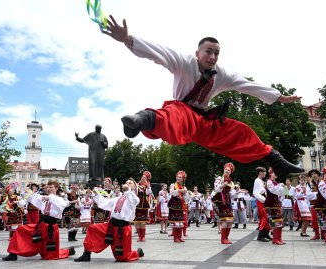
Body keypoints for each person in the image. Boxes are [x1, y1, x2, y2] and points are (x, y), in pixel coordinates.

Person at [101, 16, 304, 179]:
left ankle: (276, 160)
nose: (213, 57)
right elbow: (158, 53)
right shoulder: (183, 62)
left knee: (239, 131)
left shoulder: (222, 74)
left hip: (204, 121)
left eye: (217, 53)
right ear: (197, 53)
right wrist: (127, 40)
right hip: (181, 111)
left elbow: (247, 85)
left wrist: (277, 97)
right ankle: (142, 119)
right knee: (175, 118)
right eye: (209, 52)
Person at [2, 180, 75, 261]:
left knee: (49, 255)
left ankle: (67, 251)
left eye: (51, 187)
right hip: (40, 226)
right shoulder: (43, 198)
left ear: (56, 188)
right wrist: (25, 191)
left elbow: (62, 205)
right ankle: (13, 254)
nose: (49, 189)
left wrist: (49, 198)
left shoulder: (59, 199)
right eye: (48, 187)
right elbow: (32, 198)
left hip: (50, 228)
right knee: (20, 229)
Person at [74, 178, 144, 262]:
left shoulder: (135, 199)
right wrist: (96, 195)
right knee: (92, 228)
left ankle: (137, 253)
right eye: (126, 182)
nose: (127, 184)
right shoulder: (118, 198)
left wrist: (128, 190)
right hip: (111, 225)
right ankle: (86, 254)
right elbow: (105, 203)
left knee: (122, 258)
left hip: (123, 228)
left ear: (134, 187)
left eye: (130, 183)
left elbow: (132, 199)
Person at [212, 163, 236, 244]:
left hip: (228, 202)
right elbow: (216, 189)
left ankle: (226, 238)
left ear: (230, 172)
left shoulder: (231, 182)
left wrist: (236, 192)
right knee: (225, 220)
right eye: (226, 169)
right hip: (221, 201)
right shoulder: (219, 178)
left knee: (230, 220)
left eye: (228, 170)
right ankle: (223, 239)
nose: (227, 171)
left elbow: (232, 194)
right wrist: (222, 185)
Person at [265, 168, 286, 245]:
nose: (276, 174)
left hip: (276, 204)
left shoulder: (276, 183)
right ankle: (275, 239)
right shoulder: (269, 181)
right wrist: (280, 186)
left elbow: (280, 193)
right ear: (270, 173)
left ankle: (279, 238)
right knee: (276, 222)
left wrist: (283, 189)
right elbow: (272, 190)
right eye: (274, 173)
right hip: (271, 204)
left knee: (280, 221)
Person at [168, 171, 189, 243]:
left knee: (180, 222)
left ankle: (180, 237)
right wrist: (180, 190)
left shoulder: (184, 187)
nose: (178, 178)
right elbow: (172, 193)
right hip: (174, 206)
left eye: (180, 177)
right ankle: (175, 237)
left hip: (181, 206)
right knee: (175, 222)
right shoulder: (173, 185)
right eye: (178, 177)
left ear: (183, 179)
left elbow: (186, 198)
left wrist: (185, 192)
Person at [253, 167, 272, 242]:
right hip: (261, 201)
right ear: (260, 172)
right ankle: (260, 236)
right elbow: (255, 193)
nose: (265, 173)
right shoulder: (257, 180)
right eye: (264, 172)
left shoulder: (260, 181)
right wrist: (264, 199)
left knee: (265, 217)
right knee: (264, 217)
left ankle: (265, 234)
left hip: (263, 201)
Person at [133, 171, 152, 242]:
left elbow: (148, 193)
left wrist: (147, 185)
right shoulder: (137, 185)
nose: (143, 178)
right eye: (142, 177)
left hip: (144, 205)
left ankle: (143, 236)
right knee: (137, 221)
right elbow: (134, 193)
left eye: (145, 178)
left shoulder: (147, 187)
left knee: (143, 221)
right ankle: (139, 236)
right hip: (137, 206)